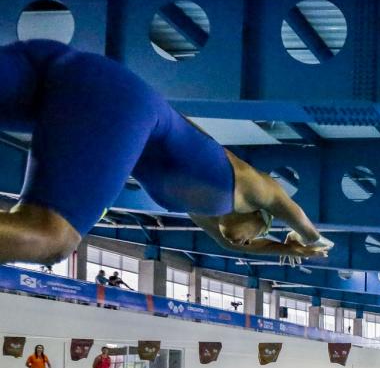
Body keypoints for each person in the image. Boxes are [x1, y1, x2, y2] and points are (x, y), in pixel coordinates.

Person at [0, 40, 332, 266]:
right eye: (255, 236)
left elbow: (232, 244)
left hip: (76, 75)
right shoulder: (248, 186)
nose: (246, 243)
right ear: (259, 219)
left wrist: (284, 249)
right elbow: (293, 211)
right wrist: (312, 239)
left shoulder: (204, 216)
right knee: (50, 238)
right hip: (117, 102)